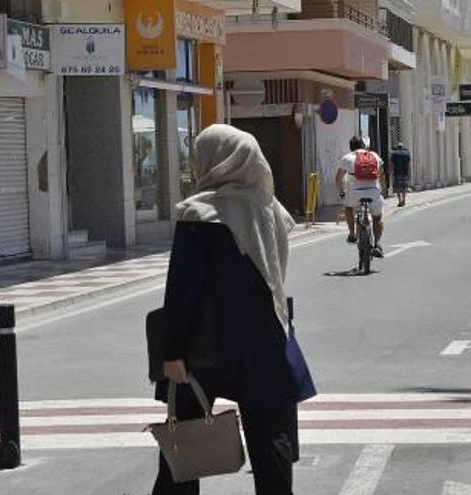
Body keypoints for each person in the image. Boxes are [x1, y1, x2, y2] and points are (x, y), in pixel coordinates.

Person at [154, 124, 316, 495]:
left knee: (184, 444)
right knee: (270, 443)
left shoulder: (200, 213)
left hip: (204, 346)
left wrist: (173, 351)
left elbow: (183, 291)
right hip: (264, 340)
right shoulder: (269, 209)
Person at [336, 136, 385, 258]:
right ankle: (378, 244)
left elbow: (338, 177)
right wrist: (382, 191)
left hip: (354, 193)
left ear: (350, 147)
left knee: (348, 207)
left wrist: (341, 191)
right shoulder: (374, 156)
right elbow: (382, 175)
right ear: (363, 146)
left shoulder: (347, 158)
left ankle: (352, 234)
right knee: (377, 218)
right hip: (373, 192)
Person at [390, 142, 411, 207]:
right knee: (404, 187)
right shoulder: (407, 153)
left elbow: (392, 164)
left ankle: (399, 201)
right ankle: (404, 200)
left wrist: (391, 171)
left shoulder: (394, 153)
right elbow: (409, 164)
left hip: (397, 173)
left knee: (398, 187)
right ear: (402, 147)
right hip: (405, 173)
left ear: (397, 147)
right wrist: (409, 173)